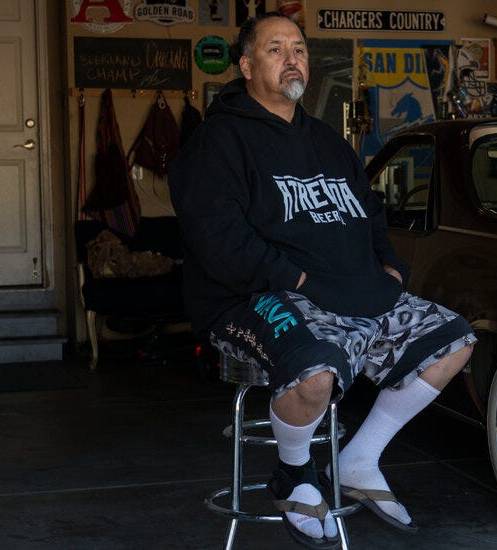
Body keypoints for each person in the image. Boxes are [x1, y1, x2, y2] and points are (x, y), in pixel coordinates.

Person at [169, 12, 475, 550]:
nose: (292, 59)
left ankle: (359, 459)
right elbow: (219, 239)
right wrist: (299, 277)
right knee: (315, 374)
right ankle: (293, 474)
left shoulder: (327, 140)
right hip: (255, 295)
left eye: (299, 49)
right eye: (275, 49)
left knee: (453, 340)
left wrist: (391, 264)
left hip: (350, 288)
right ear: (246, 66)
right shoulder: (216, 142)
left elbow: (370, 210)